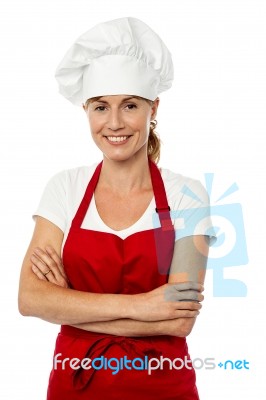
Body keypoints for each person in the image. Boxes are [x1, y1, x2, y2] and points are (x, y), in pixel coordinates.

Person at [18, 17, 215, 400]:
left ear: (153, 107)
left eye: (129, 105)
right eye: (100, 107)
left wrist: (70, 305)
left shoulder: (188, 194)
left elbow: (179, 321)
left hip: (164, 386)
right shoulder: (64, 188)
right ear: (86, 111)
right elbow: (29, 299)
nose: (114, 123)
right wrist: (145, 306)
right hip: (75, 385)